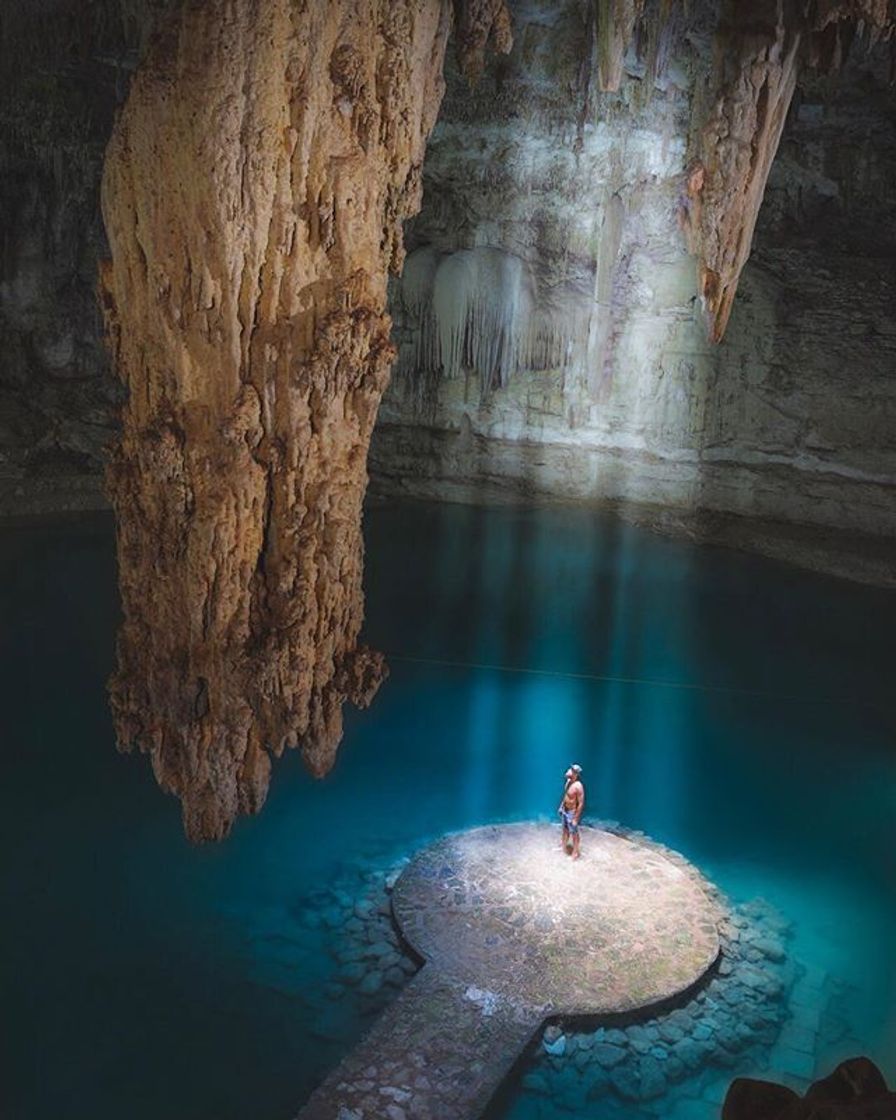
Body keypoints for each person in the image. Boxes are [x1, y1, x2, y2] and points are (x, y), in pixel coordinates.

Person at [558, 764, 585, 860]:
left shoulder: (578, 786)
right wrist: (561, 806)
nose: (569, 770)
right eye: (570, 768)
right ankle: (563, 847)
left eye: (571, 770)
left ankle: (575, 853)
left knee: (574, 833)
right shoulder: (568, 782)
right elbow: (566, 796)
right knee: (565, 830)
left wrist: (575, 818)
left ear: (575, 773)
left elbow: (581, 803)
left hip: (572, 812)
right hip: (565, 810)